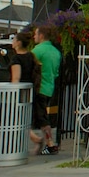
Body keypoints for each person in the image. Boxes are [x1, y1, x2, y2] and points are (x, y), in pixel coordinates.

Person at [9, 30, 45, 146]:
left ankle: (35, 139)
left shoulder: (16, 59)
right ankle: (35, 139)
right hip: (30, 90)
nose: (12, 42)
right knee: (22, 117)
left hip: (19, 92)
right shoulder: (30, 56)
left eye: (14, 40)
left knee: (15, 117)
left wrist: (12, 93)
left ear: (18, 43)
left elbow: (16, 77)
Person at [32, 25, 61, 155]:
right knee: (42, 115)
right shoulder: (56, 52)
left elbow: (30, 67)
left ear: (41, 35)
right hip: (50, 86)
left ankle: (50, 143)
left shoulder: (38, 50)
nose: (34, 36)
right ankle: (45, 142)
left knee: (41, 116)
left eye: (36, 34)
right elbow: (56, 73)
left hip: (39, 87)